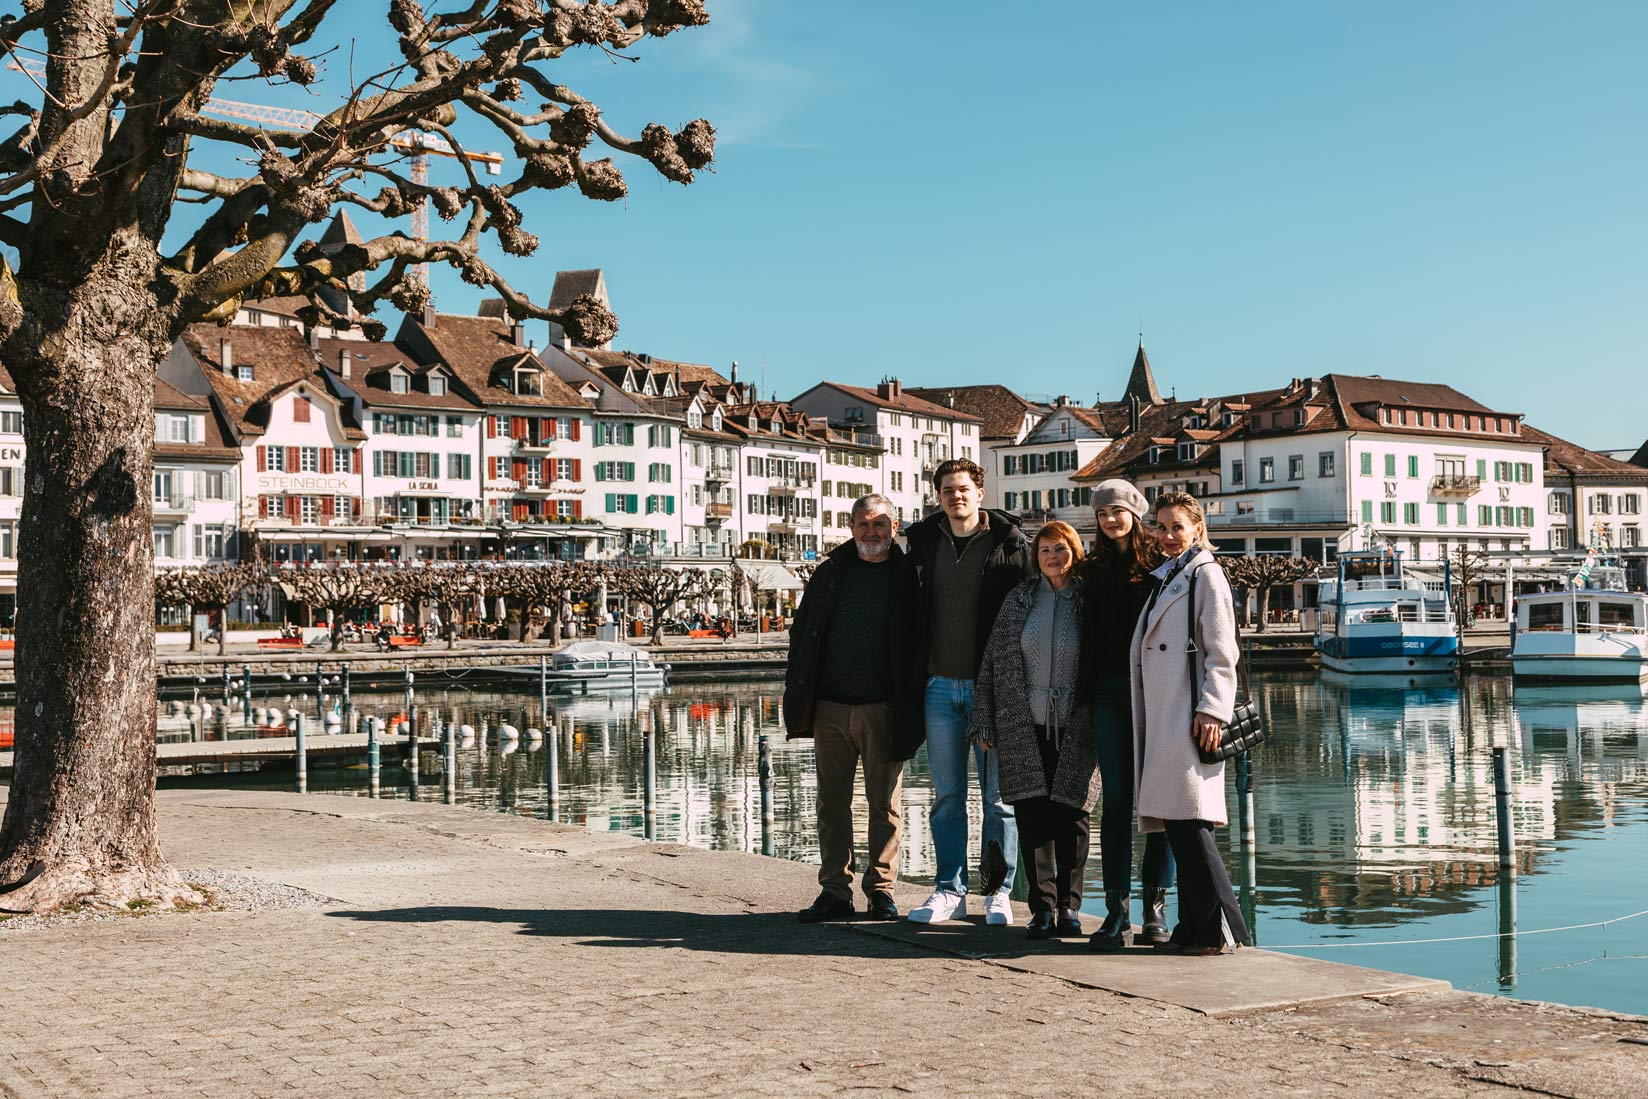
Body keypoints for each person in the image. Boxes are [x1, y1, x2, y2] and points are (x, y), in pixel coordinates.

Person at [783, 494, 926, 923]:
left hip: (884, 708)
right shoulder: (830, 572)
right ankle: (834, 891)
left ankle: (881, 890)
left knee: (884, 806)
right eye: (863, 524)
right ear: (850, 528)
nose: (871, 532)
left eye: (879, 524)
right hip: (829, 707)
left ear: (894, 529)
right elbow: (802, 632)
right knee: (831, 804)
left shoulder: (909, 576)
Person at [904, 458, 1034, 926]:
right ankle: (948, 890)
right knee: (947, 795)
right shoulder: (923, 544)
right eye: (946, 491)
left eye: (963, 489)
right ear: (937, 496)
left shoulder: (1010, 546)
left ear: (981, 492)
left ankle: (997, 891)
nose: (955, 497)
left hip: (992, 691)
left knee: (1000, 800)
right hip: (939, 687)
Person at [1131, 491, 1250, 955]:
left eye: (1176, 527)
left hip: (1188, 714)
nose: (1166, 536)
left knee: (1190, 822)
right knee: (1179, 823)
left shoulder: (1206, 575)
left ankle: (1225, 927)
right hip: (1167, 712)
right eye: (1159, 527)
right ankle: (1194, 929)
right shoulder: (1171, 576)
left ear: (1197, 528)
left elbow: (1222, 652)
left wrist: (1212, 710)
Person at [971, 521, 1100, 939]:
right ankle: (1042, 908)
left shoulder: (1088, 600)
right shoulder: (1019, 599)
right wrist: (985, 718)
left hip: (1077, 724)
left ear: (1074, 552)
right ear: (1035, 556)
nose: (1052, 557)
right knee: (1031, 815)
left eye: (1060, 549)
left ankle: (1070, 906)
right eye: (1044, 550)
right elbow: (992, 662)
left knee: (1074, 815)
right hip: (1024, 724)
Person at [1077, 479, 1176, 952]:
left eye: (1117, 511)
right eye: (1102, 514)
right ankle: (1116, 910)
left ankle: (1155, 909)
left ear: (1135, 515)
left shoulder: (1161, 568)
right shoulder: (1091, 570)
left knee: (1157, 801)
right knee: (1115, 802)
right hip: (1108, 694)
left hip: (1155, 693)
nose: (1110, 519)